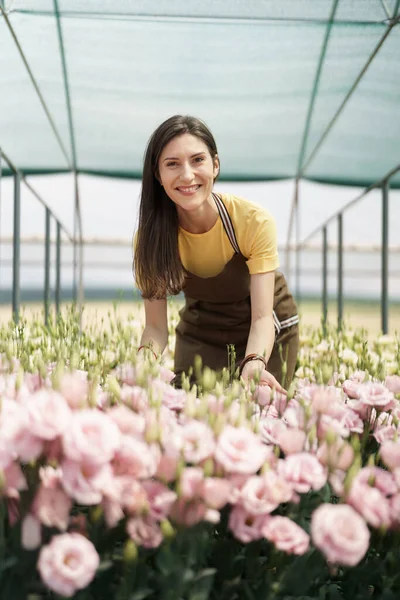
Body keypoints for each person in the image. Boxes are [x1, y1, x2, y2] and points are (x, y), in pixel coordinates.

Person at [134, 115, 299, 392]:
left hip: (262, 328)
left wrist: (255, 361)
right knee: (189, 410)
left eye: (197, 160)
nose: (187, 175)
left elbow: (261, 317)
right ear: (157, 175)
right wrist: (141, 364)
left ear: (215, 165)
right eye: (172, 164)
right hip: (202, 330)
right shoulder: (150, 240)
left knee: (260, 415)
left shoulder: (253, 222)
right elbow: (155, 328)